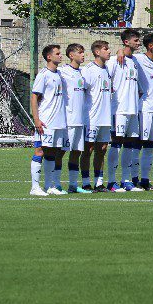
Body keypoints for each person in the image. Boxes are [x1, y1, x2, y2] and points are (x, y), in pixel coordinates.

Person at [30, 44, 67, 196]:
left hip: (58, 121)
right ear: (49, 57)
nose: (61, 56)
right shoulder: (43, 75)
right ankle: (34, 187)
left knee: (53, 152)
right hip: (45, 121)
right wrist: (36, 119)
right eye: (58, 53)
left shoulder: (59, 74)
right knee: (40, 150)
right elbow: (34, 97)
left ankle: (50, 185)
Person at [108, 29, 142, 192]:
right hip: (119, 109)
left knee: (130, 144)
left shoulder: (135, 61)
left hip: (133, 109)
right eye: (135, 40)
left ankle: (126, 180)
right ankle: (111, 181)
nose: (138, 42)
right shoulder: (115, 60)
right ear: (126, 42)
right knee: (117, 143)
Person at [59, 43, 92, 194]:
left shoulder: (83, 72)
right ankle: (55, 184)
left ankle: (73, 185)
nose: (83, 55)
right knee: (61, 152)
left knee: (76, 152)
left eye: (83, 52)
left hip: (81, 120)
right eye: (80, 52)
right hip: (69, 120)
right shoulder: (63, 71)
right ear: (71, 55)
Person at [134, 33, 153, 190]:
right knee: (139, 143)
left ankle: (145, 179)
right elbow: (123, 56)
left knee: (150, 145)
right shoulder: (138, 59)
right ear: (150, 46)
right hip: (144, 108)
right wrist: (119, 51)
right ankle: (133, 179)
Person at [81, 40, 114, 191]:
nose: (109, 51)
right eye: (106, 49)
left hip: (105, 117)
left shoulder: (107, 69)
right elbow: (82, 92)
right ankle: (86, 182)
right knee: (88, 149)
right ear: (97, 52)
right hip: (92, 117)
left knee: (102, 149)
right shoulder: (88, 70)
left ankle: (99, 182)